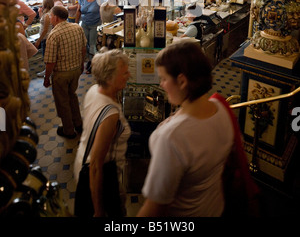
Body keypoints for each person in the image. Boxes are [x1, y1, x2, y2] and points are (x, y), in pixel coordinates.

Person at [137, 40, 234, 217]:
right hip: (214, 208)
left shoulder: (171, 137)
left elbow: (155, 208)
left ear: (182, 81)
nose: (161, 85)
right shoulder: (220, 108)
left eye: (164, 78)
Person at [73, 49, 131, 217]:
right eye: (124, 72)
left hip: (81, 159)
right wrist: (98, 210)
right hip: (101, 178)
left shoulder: (94, 90)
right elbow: (96, 166)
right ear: (109, 77)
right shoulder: (110, 115)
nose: (128, 75)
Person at [43, 6, 87, 139]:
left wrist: (46, 78)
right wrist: (81, 64)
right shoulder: (77, 28)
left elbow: (50, 62)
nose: (50, 19)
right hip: (75, 70)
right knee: (72, 96)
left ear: (56, 17)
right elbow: (83, 48)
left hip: (61, 74)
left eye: (50, 16)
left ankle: (68, 130)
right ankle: (78, 124)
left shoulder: (54, 35)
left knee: (62, 102)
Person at [76, 0, 101, 74]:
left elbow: (102, 10)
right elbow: (79, 11)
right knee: (84, 43)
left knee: (92, 45)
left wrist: (103, 25)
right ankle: (87, 61)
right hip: (85, 23)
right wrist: (76, 23)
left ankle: (92, 64)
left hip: (95, 24)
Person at [34, 0, 54, 77]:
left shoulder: (47, 15)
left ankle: (48, 72)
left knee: (46, 56)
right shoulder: (49, 13)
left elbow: (45, 29)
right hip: (47, 37)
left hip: (46, 38)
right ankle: (48, 71)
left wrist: (39, 40)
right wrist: (40, 12)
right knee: (47, 55)